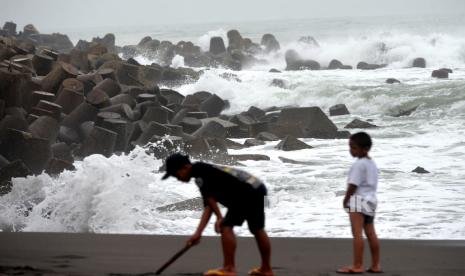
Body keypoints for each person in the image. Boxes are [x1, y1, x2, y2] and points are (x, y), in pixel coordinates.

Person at [162, 153, 274, 276]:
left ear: (185, 167)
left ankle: (229, 268)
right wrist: (198, 233)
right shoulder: (204, 170)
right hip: (257, 187)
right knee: (257, 228)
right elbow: (209, 205)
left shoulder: (200, 173)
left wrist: (220, 218)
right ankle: (266, 269)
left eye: (175, 174)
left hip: (245, 192)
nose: (177, 178)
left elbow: (210, 200)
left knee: (226, 226)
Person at [337, 132, 382, 274]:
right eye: (350, 147)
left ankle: (357, 265)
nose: (351, 150)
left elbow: (353, 185)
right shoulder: (372, 164)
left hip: (358, 200)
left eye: (354, 147)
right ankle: (375, 265)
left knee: (357, 234)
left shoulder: (359, 164)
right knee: (371, 233)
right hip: (371, 200)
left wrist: (346, 199)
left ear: (365, 149)